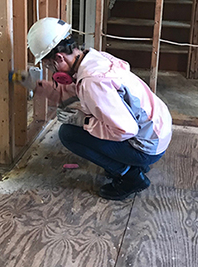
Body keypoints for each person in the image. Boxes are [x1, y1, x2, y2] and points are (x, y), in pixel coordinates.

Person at [18, 17, 172, 201]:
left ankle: (131, 176)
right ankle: (130, 162)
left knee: (68, 134)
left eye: (50, 65)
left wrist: (83, 121)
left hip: (146, 146)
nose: (51, 70)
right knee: (87, 123)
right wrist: (41, 88)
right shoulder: (93, 59)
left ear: (59, 58)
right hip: (157, 130)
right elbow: (75, 90)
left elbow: (126, 129)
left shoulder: (92, 82)